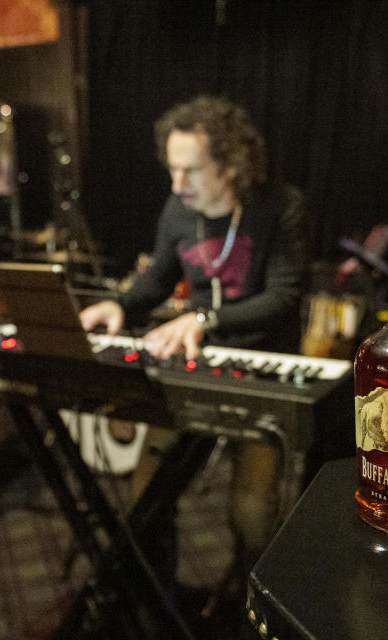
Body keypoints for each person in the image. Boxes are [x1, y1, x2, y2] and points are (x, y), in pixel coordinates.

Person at [79, 96, 309, 613]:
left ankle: (250, 603)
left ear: (230, 165)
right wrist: (116, 305)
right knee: (147, 489)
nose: (176, 185)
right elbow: (159, 278)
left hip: (263, 366)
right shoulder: (177, 210)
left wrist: (205, 319)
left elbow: (282, 297)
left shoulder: (281, 206)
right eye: (171, 169)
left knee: (252, 510)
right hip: (195, 363)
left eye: (190, 171)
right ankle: (158, 601)